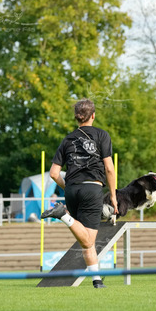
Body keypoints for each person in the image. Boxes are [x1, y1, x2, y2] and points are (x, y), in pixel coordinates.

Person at [42, 98, 118, 288]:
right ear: (93, 115)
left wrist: (67, 188)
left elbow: (54, 173)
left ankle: (96, 280)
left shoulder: (67, 139)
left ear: (76, 117)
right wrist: (113, 196)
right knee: (89, 238)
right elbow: (109, 169)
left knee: (86, 239)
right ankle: (63, 215)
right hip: (92, 189)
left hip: (71, 190)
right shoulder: (101, 135)